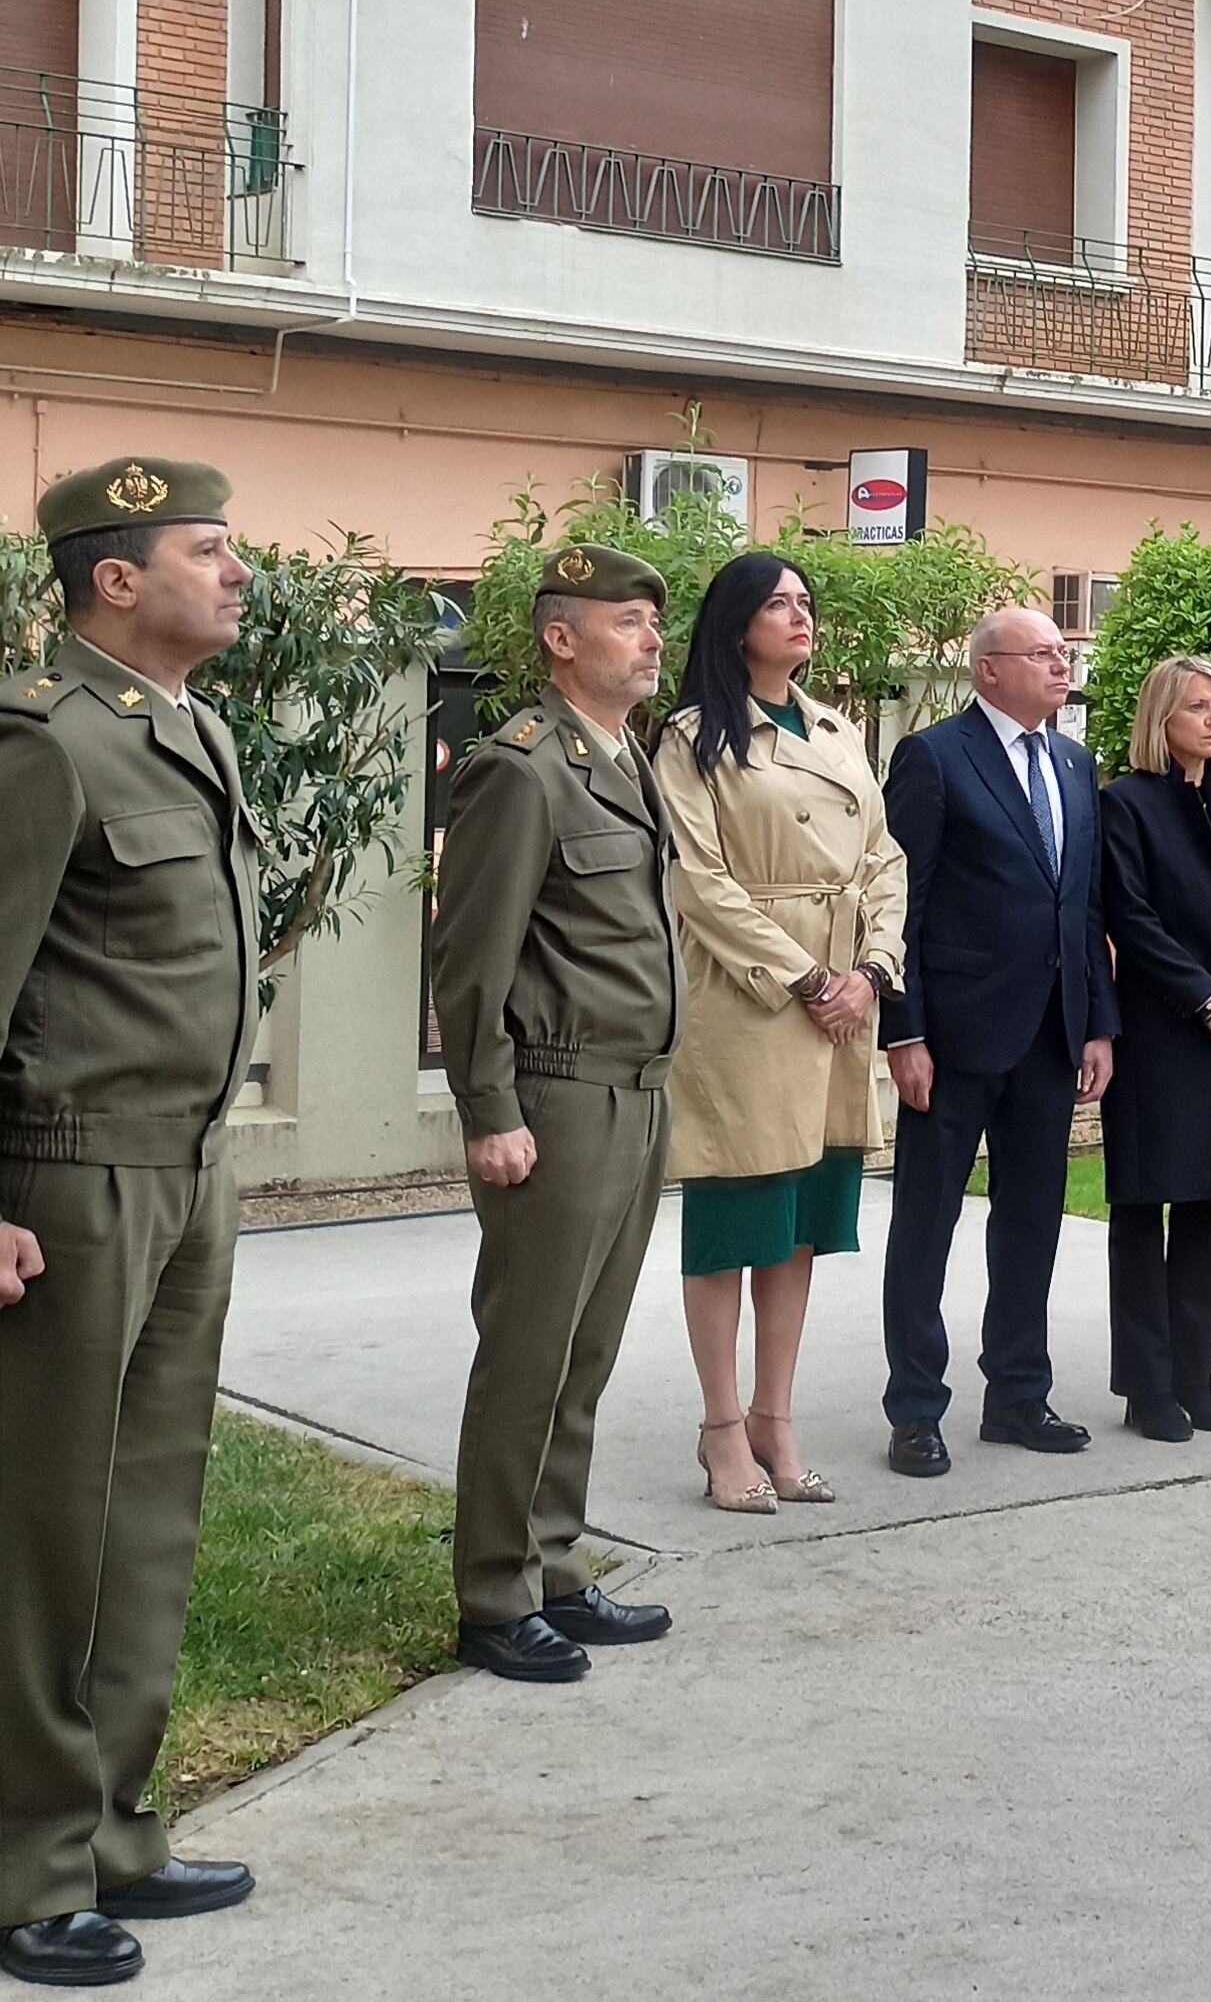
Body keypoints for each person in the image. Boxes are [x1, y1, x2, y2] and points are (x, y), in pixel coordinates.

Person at [0, 456, 265, 1983]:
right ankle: (24, 1876)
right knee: (45, 1528)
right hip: (68, 1182)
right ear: (117, 578)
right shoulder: (40, 749)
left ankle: (113, 1831)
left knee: (146, 1516)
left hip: (186, 1170)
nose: (239, 575)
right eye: (210, 551)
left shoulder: (187, 730)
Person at [428, 544, 684, 1683]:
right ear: (560, 637)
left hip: (637, 1090)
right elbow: (471, 957)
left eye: (653, 624)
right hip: (560, 1093)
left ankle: (551, 1557)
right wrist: (489, 1107)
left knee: (585, 1347)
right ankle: (492, 1590)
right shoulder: (521, 768)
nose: (650, 639)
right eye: (627, 621)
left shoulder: (625, 761)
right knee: (529, 1348)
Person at [651, 554, 904, 1514]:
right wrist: (803, 977)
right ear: (735, 623)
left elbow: (884, 859)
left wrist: (870, 975)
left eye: (806, 601)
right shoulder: (692, 738)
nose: (799, 616)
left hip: (844, 997)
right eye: (777, 603)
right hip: (754, 998)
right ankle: (722, 1428)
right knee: (734, 1214)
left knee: (800, 1220)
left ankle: (775, 1416)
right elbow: (698, 881)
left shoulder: (839, 729)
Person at [873, 606, 1116, 1476]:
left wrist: (1097, 1024)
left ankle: (1017, 1393)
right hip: (955, 1035)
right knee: (927, 1222)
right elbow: (904, 906)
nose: (1063, 664)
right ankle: (915, 1409)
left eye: (1064, 652)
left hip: (1051, 1035)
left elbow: (1082, 905)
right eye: (1045, 653)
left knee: (1031, 1222)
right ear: (988, 670)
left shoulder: (1075, 764)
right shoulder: (935, 759)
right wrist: (906, 1032)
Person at [1094, 655, 1211, 1443]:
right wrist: (1203, 996)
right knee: (1144, 1205)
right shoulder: (1125, 805)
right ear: (1161, 719)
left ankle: (1195, 1380)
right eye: (1196, 708)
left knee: (1205, 1205)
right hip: (1162, 1030)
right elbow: (1130, 920)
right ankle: (1147, 1389)